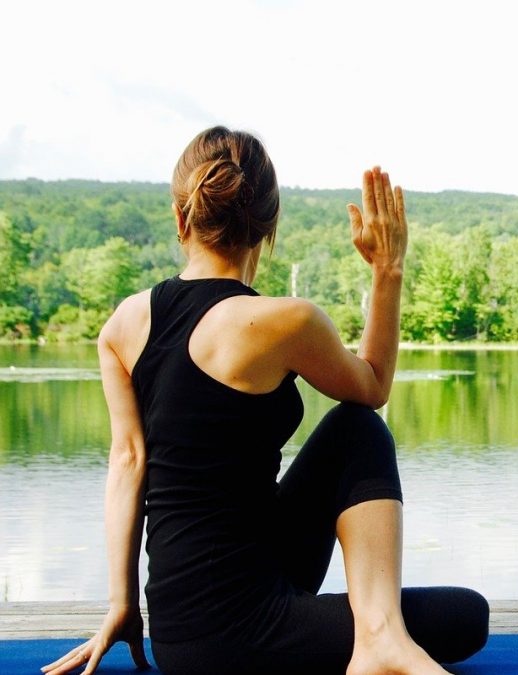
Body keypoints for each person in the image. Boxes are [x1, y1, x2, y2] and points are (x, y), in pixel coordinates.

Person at [42, 126, 489, 675]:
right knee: (463, 612)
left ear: (181, 218)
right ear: (269, 225)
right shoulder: (285, 321)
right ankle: (379, 637)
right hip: (240, 635)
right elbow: (372, 387)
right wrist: (387, 271)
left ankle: (379, 634)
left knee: (352, 431)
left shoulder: (123, 325)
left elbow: (128, 462)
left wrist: (123, 604)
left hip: (180, 635)